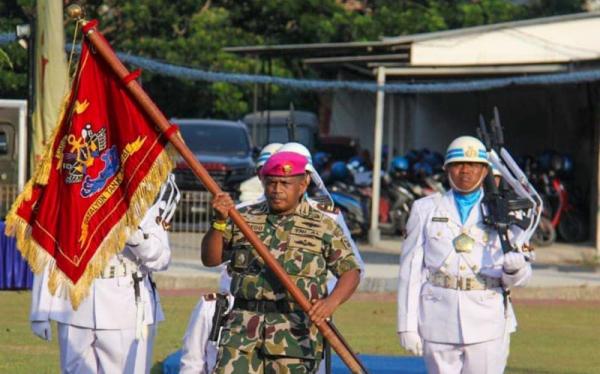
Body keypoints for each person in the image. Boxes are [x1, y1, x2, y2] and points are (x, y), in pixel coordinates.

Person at [179, 143, 364, 373]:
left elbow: (351, 272)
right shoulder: (244, 217)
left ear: (303, 184)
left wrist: (330, 303)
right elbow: (211, 259)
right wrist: (218, 222)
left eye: (285, 183)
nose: (277, 189)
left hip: (293, 335)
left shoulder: (323, 225)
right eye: (271, 182)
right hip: (242, 331)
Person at [397, 136, 532, 374]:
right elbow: (411, 271)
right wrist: (406, 325)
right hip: (437, 317)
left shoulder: (505, 210)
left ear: (485, 170)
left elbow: (520, 277)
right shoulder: (425, 209)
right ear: (447, 168)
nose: (465, 171)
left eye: (473, 165)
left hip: (487, 319)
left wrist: (515, 269)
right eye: (459, 164)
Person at [30, 174, 180, 374]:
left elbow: (161, 258)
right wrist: (40, 309)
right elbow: (49, 245)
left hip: (124, 303)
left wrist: (132, 235)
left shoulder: (150, 183)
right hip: (73, 301)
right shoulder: (69, 181)